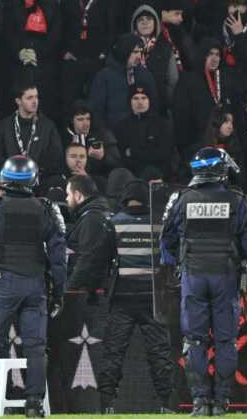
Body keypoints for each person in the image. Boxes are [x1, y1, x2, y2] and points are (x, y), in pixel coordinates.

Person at [160, 147, 247, 417]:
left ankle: (199, 401)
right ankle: (221, 403)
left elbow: (166, 243)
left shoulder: (180, 199)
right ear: (221, 169)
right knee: (226, 341)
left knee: (194, 341)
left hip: (193, 276)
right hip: (226, 276)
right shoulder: (239, 200)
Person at [0, 156, 66, 418]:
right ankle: (34, 404)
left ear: (3, 177)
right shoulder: (46, 208)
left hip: (2, 284)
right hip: (36, 284)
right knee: (35, 346)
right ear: (33, 179)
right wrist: (58, 293)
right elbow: (58, 258)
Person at [83, 177, 176, 413]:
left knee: (113, 353)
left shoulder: (114, 222)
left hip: (122, 298)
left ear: (125, 199)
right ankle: (166, 404)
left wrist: (92, 291)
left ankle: (107, 405)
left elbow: (97, 262)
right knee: (160, 354)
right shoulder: (160, 224)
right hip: (154, 298)